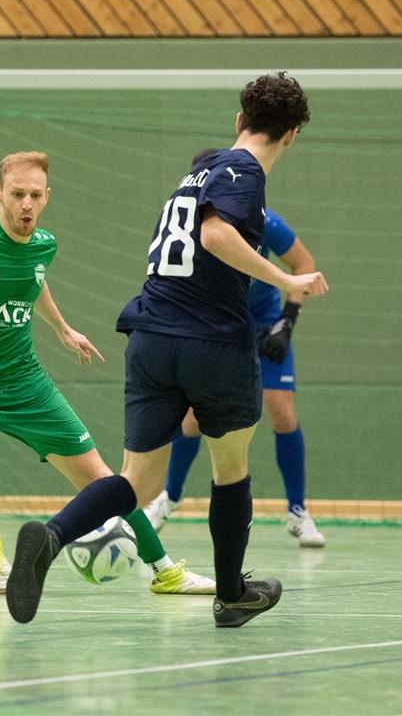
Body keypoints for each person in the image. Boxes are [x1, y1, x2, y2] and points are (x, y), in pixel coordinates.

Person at [5, 72, 328, 628]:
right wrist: (285, 282)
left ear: (238, 119)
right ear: (293, 134)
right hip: (211, 340)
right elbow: (215, 236)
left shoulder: (195, 173)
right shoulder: (244, 170)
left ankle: (53, 536)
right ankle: (231, 595)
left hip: (151, 335)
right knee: (231, 467)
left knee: (137, 482)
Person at [0, 151, 214, 598]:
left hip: (25, 385)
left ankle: (165, 570)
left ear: (47, 197)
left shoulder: (43, 244)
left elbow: (32, 280)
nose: (27, 204)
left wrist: (62, 329)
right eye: (18, 194)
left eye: (35, 196)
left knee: (107, 481)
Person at [145, 184, 326, 547]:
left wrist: (286, 322)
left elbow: (304, 265)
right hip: (218, 326)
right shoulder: (191, 228)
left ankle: (297, 511)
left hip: (264, 325)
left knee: (282, 410)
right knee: (193, 416)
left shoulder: (266, 223)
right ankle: (170, 498)